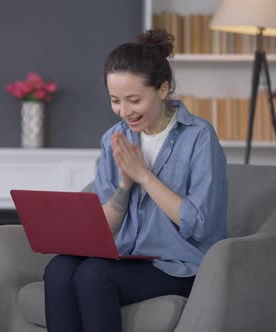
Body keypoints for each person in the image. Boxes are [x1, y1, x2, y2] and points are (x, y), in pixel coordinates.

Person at [43, 29, 228, 332]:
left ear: (163, 89)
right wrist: (125, 185)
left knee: (94, 275)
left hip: (180, 264)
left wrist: (144, 175)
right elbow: (107, 228)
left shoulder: (199, 138)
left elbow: (200, 224)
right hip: (129, 255)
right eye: (115, 100)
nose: (124, 111)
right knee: (59, 269)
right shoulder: (114, 139)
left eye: (134, 99)